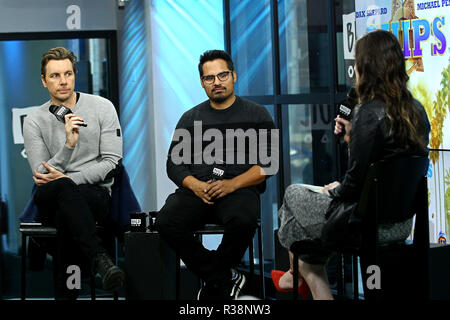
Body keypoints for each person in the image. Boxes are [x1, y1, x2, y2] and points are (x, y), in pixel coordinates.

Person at [272, 30, 430, 300]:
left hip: (367, 223)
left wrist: (334, 189)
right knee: (302, 223)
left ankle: (298, 272)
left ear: (366, 66)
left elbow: (355, 184)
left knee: (292, 195)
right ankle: (307, 271)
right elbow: (378, 171)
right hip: (402, 222)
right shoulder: (416, 110)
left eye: (357, 61)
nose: (354, 68)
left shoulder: (368, 113)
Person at [155, 50, 277, 300]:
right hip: (197, 191)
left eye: (222, 75)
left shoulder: (257, 114)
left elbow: (269, 164)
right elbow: (174, 165)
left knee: (243, 220)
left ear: (234, 75)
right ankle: (224, 277)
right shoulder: (190, 118)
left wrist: (232, 185)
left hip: (239, 190)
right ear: (202, 83)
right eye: (209, 78)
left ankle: (214, 282)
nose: (217, 82)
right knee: (166, 221)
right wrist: (196, 186)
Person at [23, 47, 125, 299]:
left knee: (66, 218)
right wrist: (68, 145)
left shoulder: (102, 107)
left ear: (75, 75)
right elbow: (40, 173)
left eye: (68, 73)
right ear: (44, 81)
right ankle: (99, 260)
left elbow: (112, 161)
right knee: (62, 194)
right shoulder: (35, 119)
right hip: (50, 194)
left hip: (93, 194)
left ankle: (72, 289)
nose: (63, 81)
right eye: (55, 75)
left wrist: (70, 179)